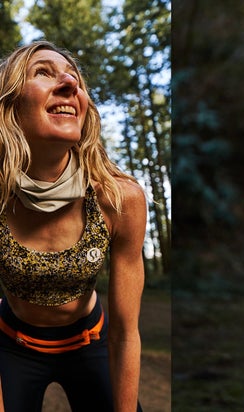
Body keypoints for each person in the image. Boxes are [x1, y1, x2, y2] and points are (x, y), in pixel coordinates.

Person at [0, 41, 146, 411]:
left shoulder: (119, 198)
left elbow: (127, 335)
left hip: (92, 340)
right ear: (11, 106)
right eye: (43, 72)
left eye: (73, 77)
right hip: (10, 344)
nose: (69, 83)